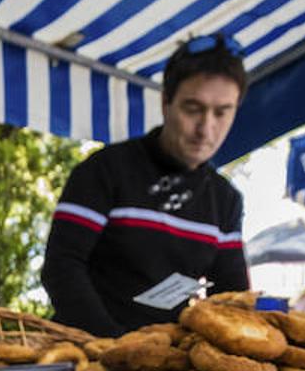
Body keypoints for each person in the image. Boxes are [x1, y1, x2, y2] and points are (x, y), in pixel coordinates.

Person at [41, 33, 250, 336]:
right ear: (166, 102)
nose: (206, 129)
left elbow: (232, 296)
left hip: (165, 363)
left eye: (222, 112)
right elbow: (62, 267)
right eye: (193, 109)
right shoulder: (105, 171)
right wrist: (116, 351)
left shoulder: (226, 200)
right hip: (83, 354)